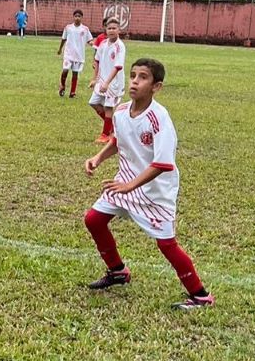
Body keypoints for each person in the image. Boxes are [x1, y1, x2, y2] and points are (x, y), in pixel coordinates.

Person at [83, 58, 213, 310]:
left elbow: (162, 164)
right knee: (94, 220)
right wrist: (97, 158)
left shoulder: (159, 118)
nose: (134, 81)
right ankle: (118, 271)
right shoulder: (121, 111)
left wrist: (130, 186)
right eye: (133, 75)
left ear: (156, 87)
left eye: (143, 77)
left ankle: (200, 296)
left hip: (155, 191)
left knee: (166, 244)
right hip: (126, 183)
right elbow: (118, 140)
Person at [87, 19, 125, 144]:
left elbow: (118, 67)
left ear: (119, 30)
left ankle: (105, 134)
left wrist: (107, 83)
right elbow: (97, 61)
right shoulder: (103, 44)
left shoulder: (120, 46)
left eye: (114, 28)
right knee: (93, 103)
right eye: (109, 28)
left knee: (108, 107)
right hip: (102, 81)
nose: (112, 30)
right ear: (106, 30)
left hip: (114, 83)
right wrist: (95, 79)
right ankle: (113, 128)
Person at [57, 10, 92, 98]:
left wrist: (93, 44)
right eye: (76, 16)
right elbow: (63, 39)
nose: (77, 18)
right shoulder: (68, 28)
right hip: (68, 54)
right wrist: (60, 49)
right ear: (73, 17)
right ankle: (63, 85)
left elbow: (89, 40)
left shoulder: (85, 29)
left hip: (78, 55)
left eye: (79, 16)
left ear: (82, 18)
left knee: (75, 73)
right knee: (65, 70)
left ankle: (72, 92)